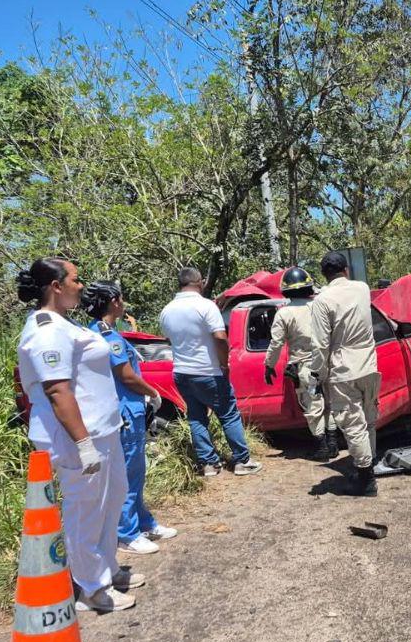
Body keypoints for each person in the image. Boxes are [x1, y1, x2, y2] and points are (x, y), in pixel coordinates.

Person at [16, 258, 142, 613]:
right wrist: (83, 443)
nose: (81, 285)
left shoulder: (65, 323)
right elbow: (57, 391)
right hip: (76, 436)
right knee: (86, 509)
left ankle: (108, 568)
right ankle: (92, 588)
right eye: (75, 279)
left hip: (104, 430)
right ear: (56, 286)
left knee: (111, 499)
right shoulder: (46, 331)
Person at [82, 281, 178, 557]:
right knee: (127, 473)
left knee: (136, 471)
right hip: (124, 412)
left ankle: (144, 522)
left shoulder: (100, 331)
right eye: (121, 299)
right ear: (114, 301)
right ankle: (127, 533)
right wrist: (153, 392)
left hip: (127, 410)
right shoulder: (108, 337)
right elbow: (126, 375)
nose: (123, 303)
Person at [159, 267, 262, 477]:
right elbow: (220, 338)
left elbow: (169, 340)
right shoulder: (206, 306)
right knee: (228, 414)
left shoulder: (166, 311)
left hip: (182, 372)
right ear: (201, 282)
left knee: (196, 417)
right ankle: (242, 461)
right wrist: (224, 365)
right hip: (208, 371)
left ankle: (208, 464)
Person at [310, 252, 380, 497]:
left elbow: (320, 345)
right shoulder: (362, 289)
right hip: (369, 365)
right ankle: (368, 466)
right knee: (368, 420)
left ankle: (366, 480)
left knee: (353, 425)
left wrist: (318, 375)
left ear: (324, 275)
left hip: (344, 370)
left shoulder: (322, 301)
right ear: (346, 270)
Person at [263, 267, 337, 460]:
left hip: (306, 368)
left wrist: (269, 365)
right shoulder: (320, 306)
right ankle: (333, 443)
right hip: (328, 363)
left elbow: (276, 343)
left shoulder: (284, 313)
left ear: (285, 290)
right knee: (329, 403)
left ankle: (322, 448)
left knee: (313, 406)